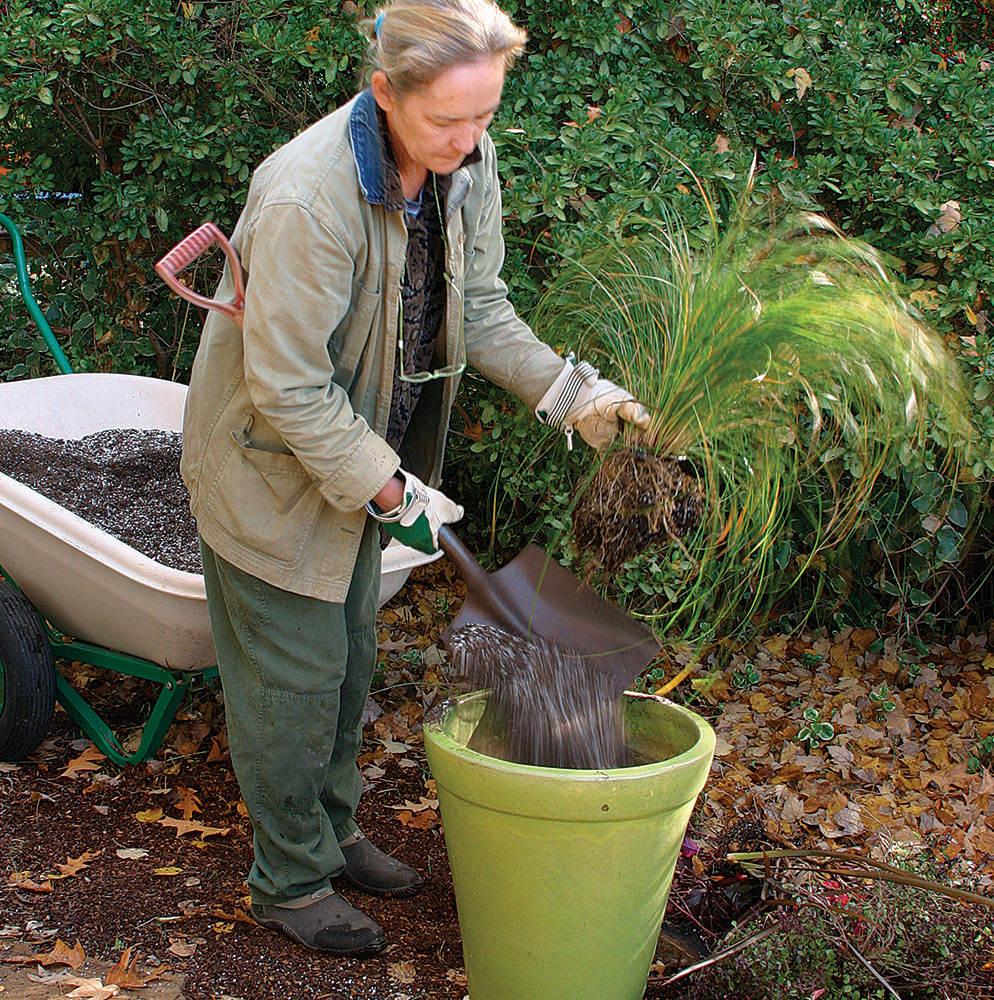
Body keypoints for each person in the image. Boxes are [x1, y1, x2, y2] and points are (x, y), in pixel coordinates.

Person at [180, 0, 649, 957]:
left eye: (486, 117)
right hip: (274, 473)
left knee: (349, 663)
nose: (471, 141)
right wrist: (393, 492)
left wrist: (571, 396)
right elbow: (287, 387)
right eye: (448, 121)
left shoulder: (462, 169)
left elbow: (480, 305)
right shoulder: (307, 199)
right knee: (294, 687)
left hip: (358, 471)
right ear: (384, 90)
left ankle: (333, 833)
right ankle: (291, 880)